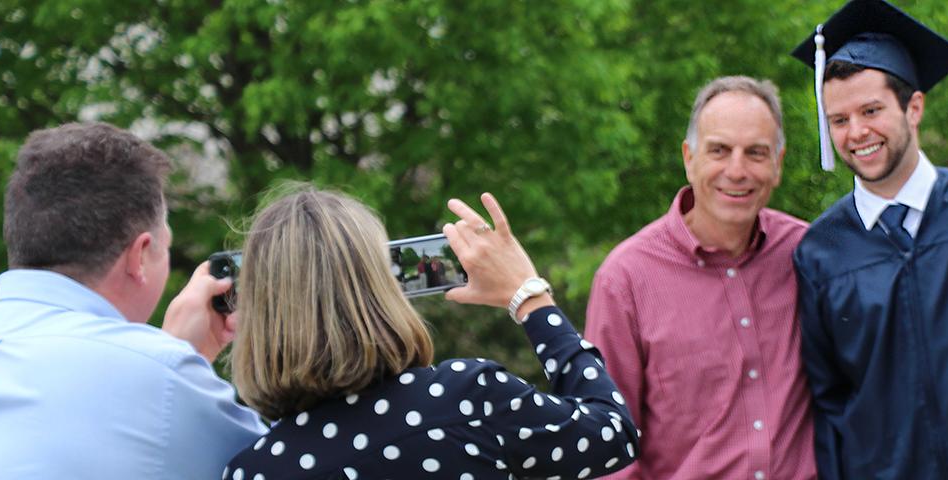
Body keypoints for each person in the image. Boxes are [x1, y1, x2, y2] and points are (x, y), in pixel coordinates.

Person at [221, 186, 638, 479]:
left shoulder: (253, 470)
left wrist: (186, 346)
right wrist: (529, 297)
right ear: (378, 290)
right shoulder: (466, 401)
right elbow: (613, 433)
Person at [787, 0, 948, 478]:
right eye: (839, 119)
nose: (857, 132)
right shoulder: (822, 252)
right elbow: (830, 404)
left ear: (914, 107)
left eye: (872, 110)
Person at [0, 123, 265, 479]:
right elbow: (283, 466)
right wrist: (180, 361)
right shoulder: (163, 375)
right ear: (140, 256)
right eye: (164, 245)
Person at [584, 76, 816, 480]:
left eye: (756, 153)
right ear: (689, 158)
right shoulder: (626, 280)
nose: (737, 170)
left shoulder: (810, 256)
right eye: (719, 150)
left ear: (778, 165)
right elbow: (609, 446)